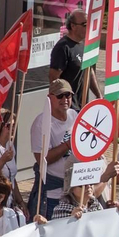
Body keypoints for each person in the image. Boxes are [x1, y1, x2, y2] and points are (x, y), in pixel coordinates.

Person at [29, 80, 77, 219]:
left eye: (68, 95)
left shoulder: (75, 116)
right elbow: (42, 159)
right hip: (52, 195)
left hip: (74, 193)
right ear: (50, 98)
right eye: (60, 96)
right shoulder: (41, 123)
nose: (65, 99)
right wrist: (68, 144)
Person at [48, 8, 93, 102]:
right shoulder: (63, 47)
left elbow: (89, 71)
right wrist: (62, 102)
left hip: (82, 104)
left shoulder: (84, 45)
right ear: (73, 26)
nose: (88, 27)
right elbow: (53, 78)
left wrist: (98, 95)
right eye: (85, 25)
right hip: (68, 106)